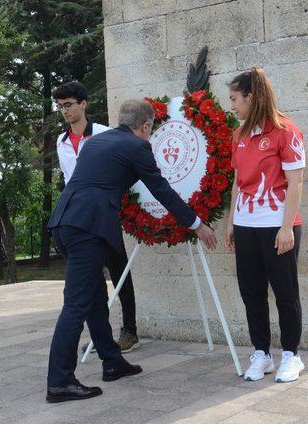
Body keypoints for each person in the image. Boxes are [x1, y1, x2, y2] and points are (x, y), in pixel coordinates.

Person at [45, 99, 217, 403]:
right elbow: (160, 189)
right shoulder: (137, 147)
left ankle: (112, 362)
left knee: (96, 297)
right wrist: (198, 225)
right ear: (146, 126)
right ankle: (60, 381)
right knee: (76, 304)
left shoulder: (96, 142)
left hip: (66, 222)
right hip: (88, 228)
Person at [225, 68, 306, 383]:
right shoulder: (240, 134)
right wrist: (232, 220)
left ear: (251, 96)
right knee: (251, 292)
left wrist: (287, 228)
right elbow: (236, 181)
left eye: (235, 99)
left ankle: (291, 355)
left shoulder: (286, 131)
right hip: (246, 224)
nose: (232, 106)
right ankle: (262, 353)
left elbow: (296, 184)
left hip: (277, 225)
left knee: (286, 293)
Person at [53, 81, 140, 353]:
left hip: (105, 214)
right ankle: (102, 337)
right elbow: (70, 179)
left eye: (68, 105)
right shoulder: (62, 141)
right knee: (90, 280)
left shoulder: (104, 133)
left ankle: (130, 330)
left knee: (119, 272)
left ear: (83, 104)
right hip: (78, 217)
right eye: (60, 106)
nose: (64, 111)